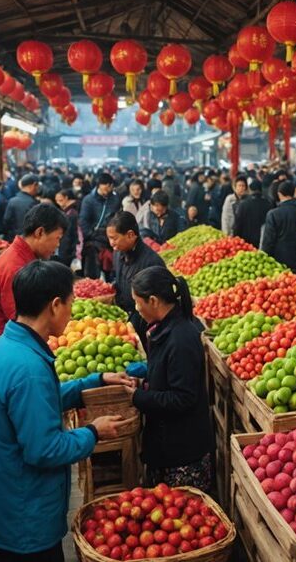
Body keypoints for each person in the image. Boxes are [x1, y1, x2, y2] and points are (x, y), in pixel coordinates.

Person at [0, 261, 134, 562]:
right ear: (55, 304)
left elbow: (35, 403)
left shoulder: (2, 347)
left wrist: (94, 381)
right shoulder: (28, 368)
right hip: (24, 516)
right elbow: (44, 450)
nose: (72, 312)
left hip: (1, 504)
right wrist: (93, 432)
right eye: (71, 303)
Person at [124, 266, 214, 491]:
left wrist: (139, 397)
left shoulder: (181, 338)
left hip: (182, 453)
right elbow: (168, 378)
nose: (136, 309)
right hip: (167, 446)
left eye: (138, 302)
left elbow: (182, 398)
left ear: (153, 301)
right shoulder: (163, 328)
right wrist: (145, 381)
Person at [0, 204, 68, 339]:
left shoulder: (24, 257)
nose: (58, 245)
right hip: (16, 343)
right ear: (40, 232)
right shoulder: (15, 266)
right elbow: (21, 320)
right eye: (57, 238)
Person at [107, 212, 164, 344]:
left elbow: (155, 306)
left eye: (114, 238)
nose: (111, 243)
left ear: (131, 235)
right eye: (109, 239)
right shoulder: (118, 254)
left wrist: (132, 324)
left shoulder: (152, 263)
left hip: (146, 328)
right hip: (124, 322)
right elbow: (120, 281)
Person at [79, 174, 120, 279]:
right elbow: (83, 221)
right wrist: (91, 234)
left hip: (110, 236)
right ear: (98, 185)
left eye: (110, 186)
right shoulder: (88, 200)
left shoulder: (115, 199)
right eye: (105, 186)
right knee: (92, 261)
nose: (108, 189)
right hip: (94, 237)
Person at [261, 180, 296, 271]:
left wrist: (264, 260)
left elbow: (268, 241)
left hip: (280, 261)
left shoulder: (273, 214)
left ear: (279, 194)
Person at [234, 180, 272, 248]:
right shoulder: (268, 204)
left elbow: (238, 224)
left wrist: (235, 239)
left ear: (250, 190)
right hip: (262, 241)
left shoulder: (243, 204)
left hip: (246, 242)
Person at [2, 175, 40, 239]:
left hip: (14, 239)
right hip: (29, 240)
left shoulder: (12, 201)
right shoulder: (33, 203)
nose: (38, 189)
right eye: (37, 186)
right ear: (34, 185)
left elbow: (6, 221)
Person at [53, 189, 80, 269]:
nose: (58, 203)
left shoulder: (71, 213)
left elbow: (68, 236)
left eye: (60, 200)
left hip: (69, 250)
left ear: (66, 198)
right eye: (57, 201)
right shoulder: (69, 211)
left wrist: (64, 254)